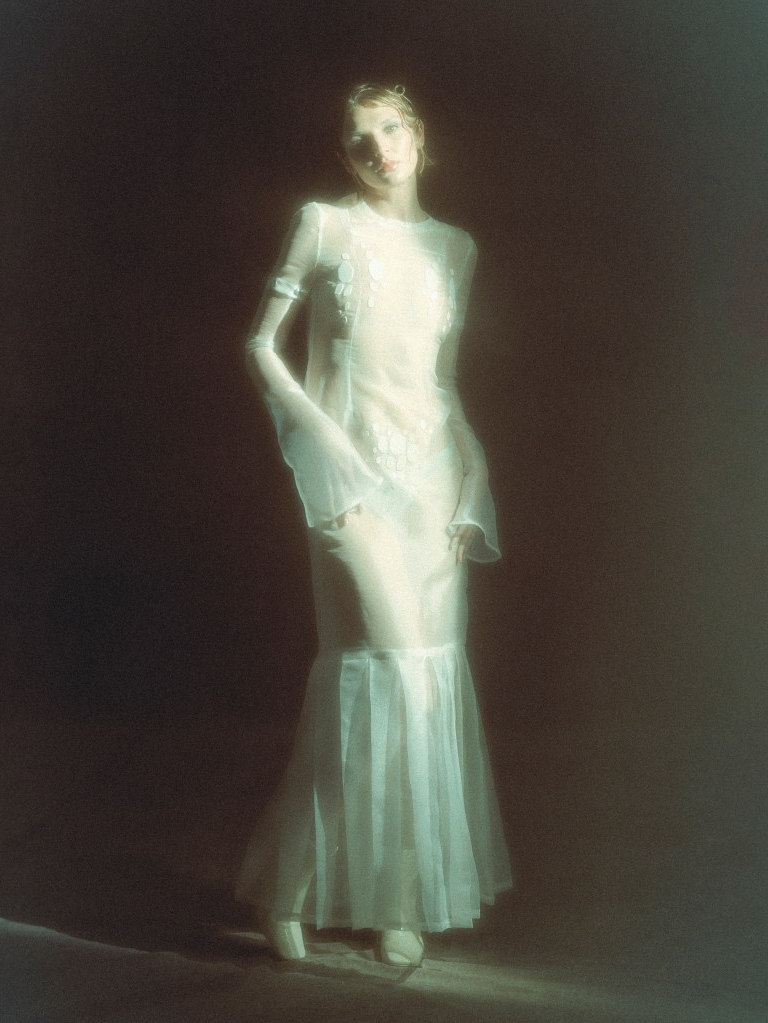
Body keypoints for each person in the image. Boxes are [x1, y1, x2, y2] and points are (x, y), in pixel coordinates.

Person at [236, 83, 512, 967]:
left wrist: (474, 479)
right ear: (344, 156)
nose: (378, 148)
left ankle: (399, 897)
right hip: (348, 482)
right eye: (358, 139)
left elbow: (443, 381)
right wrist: (325, 449)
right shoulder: (324, 225)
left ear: (418, 135)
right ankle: (287, 885)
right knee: (381, 675)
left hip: (433, 484)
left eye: (390, 129)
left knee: (425, 686)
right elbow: (259, 346)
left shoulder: (455, 248)